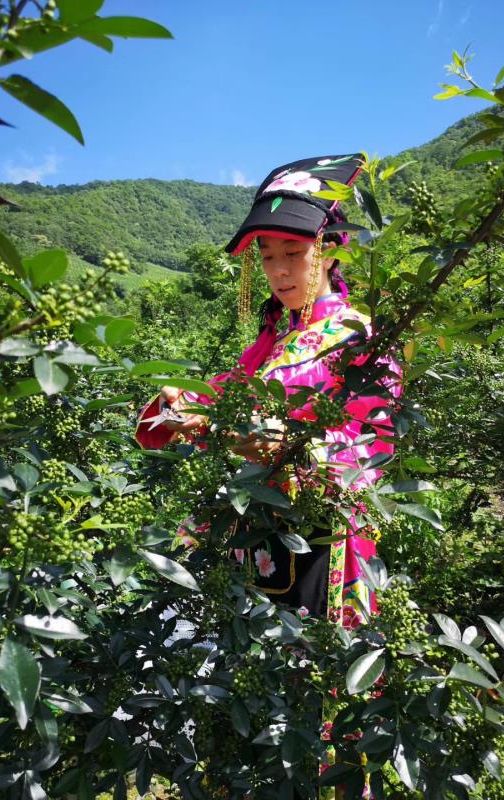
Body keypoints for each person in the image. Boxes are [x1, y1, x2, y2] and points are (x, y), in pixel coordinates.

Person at [135, 153, 401, 628]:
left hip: (322, 535)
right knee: (246, 646)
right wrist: (178, 403)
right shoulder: (270, 344)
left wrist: (294, 449)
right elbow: (219, 398)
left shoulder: (360, 336)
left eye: (293, 253)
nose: (279, 271)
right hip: (252, 529)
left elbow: (374, 439)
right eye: (268, 256)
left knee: (310, 655)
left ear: (331, 252)